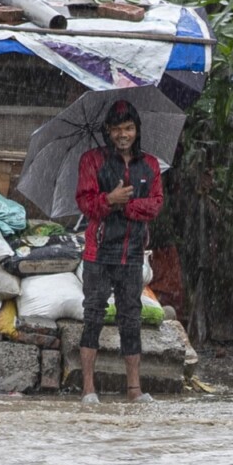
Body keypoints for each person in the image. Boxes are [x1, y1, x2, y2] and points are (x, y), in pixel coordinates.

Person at [75, 99, 163, 406]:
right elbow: (85, 204)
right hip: (98, 253)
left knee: (131, 318)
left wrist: (125, 206)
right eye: (116, 129)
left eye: (128, 128)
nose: (123, 134)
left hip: (133, 253)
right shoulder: (92, 161)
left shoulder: (150, 165)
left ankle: (134, 390)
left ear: (137, 130)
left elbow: (155, 205)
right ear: (108, 131)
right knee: (93, 317)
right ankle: (88, 388)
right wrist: (109, 199)